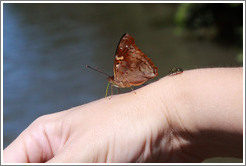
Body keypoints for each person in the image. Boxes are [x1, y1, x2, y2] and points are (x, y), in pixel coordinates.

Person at [3, 67, 243, 163]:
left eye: (110, 81)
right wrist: (165, 112)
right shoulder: (114, 84)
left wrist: (164, 111)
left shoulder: (121, 76)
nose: (109, 82)